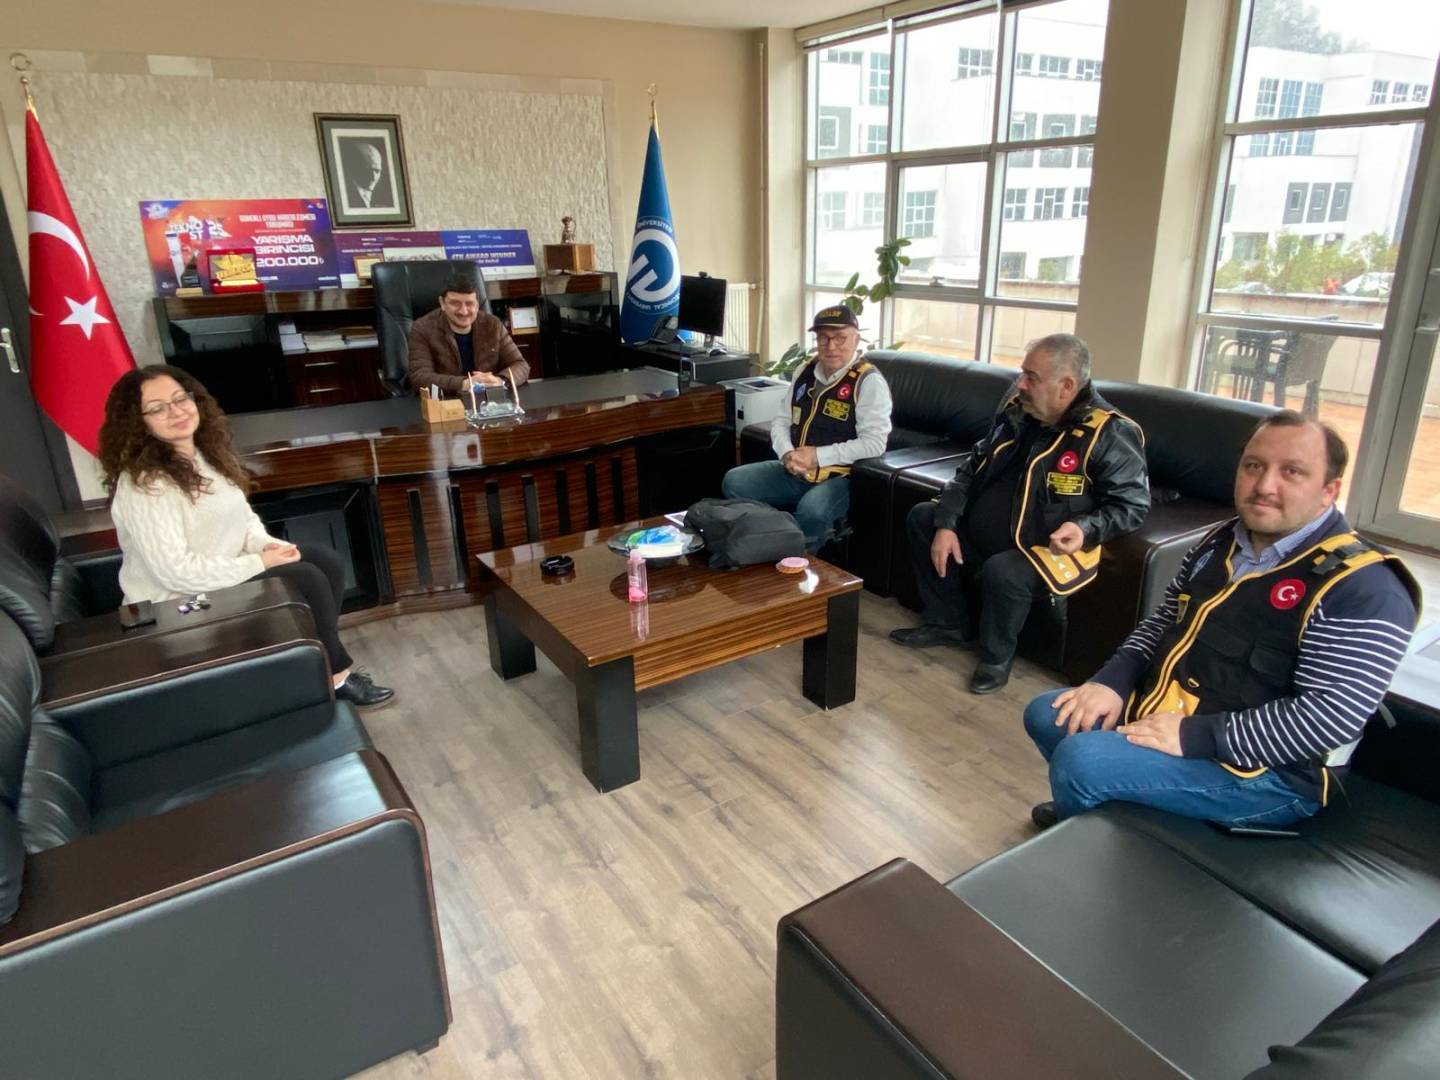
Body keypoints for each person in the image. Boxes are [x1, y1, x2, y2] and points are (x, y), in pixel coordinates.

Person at [1023, 412, 1418, 831]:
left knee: (1082, 761)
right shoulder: (1223, 540)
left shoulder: (1365, 588)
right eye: (1254, 466)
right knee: (1049, 715)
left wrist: (1194, 736)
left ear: (1328, 491)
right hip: (1177, 714)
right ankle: (1102, 810)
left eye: (1292, 472)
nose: (1264, 486)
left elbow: (1330, 717)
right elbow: (1164, 620)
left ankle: (1097, 825)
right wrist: (1112, 681)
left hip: (1269, 775)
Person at [99, 366, 394, 708]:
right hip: (174, 607)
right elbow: (175, 572)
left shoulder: (202, 457)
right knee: (305, 578)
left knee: (325, 561)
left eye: (181, 399)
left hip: (212, 584)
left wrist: (266, 545)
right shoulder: (145, 484)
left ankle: (313, 666)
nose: (176, 411)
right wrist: (258, 563)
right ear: (137, 423)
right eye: (158, 408)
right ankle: (333, 676)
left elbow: (243, 520)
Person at [890, 334, 1149, 694]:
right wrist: (947, 523)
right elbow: (971, 469)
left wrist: (1085, 527)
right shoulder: (1016, 412)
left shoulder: (1108, 432)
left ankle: (996, 658)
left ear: (1067, 386)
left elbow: (1132, 505)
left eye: (1032, 377)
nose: (1020, 384)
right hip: (989, 533)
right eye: (1022, 373)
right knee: (924, 517)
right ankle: (948, 623)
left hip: (1043, 548)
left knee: (1004, 570)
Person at [720, 305, 893, 551]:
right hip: (796, 470)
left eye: (840, 337)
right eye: (823, 338)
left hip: (841, 477)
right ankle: (766, 543)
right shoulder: (805, 371)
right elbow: (781, 420)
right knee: (735, 481)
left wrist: (817, 456)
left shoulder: (868, 381)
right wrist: (787, 453)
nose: (831, 346)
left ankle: (798, 561)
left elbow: (875, 444)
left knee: (812, 510)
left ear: (856, 339)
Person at [407, 274, 530, 396]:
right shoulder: (422, 329)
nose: (463, 311)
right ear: (442, 303)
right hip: (447, 402)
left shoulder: (493, 325)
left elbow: (521, 365)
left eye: (469, 303)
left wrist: (500, 381)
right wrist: (465, 383)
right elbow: (419, 378)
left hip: (489, 401)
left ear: (477, 304)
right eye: (455, 303)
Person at [344, 141, 388, 210]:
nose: (373, 178)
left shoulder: (382, 198)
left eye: (377, 171)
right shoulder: (345, 197)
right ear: (355, 169)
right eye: (368, 171)